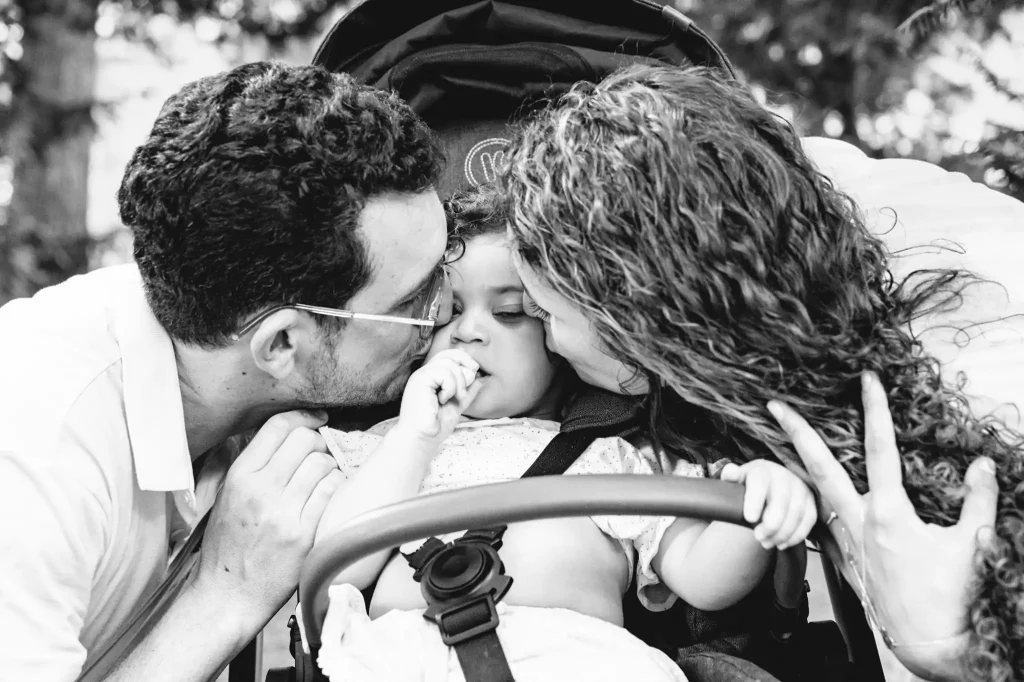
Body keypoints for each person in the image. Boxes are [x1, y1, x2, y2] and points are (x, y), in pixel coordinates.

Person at [499, 63, 1010, 682]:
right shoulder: (765, 200)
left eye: (543, 313)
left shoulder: (914, 460)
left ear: (646, 322)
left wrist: (954, 656)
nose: (548, 344)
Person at [0, 61, 451, 681]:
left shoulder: (226, 374)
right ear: (281, 343)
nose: (450, 312)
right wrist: (223, 598)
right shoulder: (33, 457)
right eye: (414, 303)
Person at [309, 187, 818, 681]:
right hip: (404, 660)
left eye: (509, 312)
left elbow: (706, 581)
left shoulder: (614, 453)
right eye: (446, 312)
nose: (467, 331)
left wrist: (759, 502)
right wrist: (415, 440)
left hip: (579, 660)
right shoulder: (384, 447)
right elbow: (331, 576)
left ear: (558, 336)